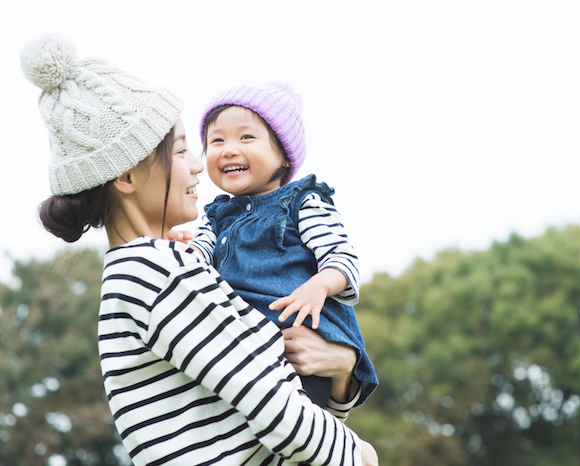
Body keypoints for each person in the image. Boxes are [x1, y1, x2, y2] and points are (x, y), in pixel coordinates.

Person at [22, 34, 378, 466]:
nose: (198, 164)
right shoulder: (156, 271)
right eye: (181, 149)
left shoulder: (157, 267)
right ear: (127, 177)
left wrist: (340, 369)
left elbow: (283, 394)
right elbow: (273, 404)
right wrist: (358, 454)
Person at [191, 83, 378, 407]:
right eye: (216, 140)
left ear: (282, 155)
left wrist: (318, 287)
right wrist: (180, 246)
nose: (228, 149)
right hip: (244, 352)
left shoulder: (302, 202)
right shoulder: (216, 216)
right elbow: (196, 255)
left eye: (246, 137)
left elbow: (342, 257)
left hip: (300, 354)